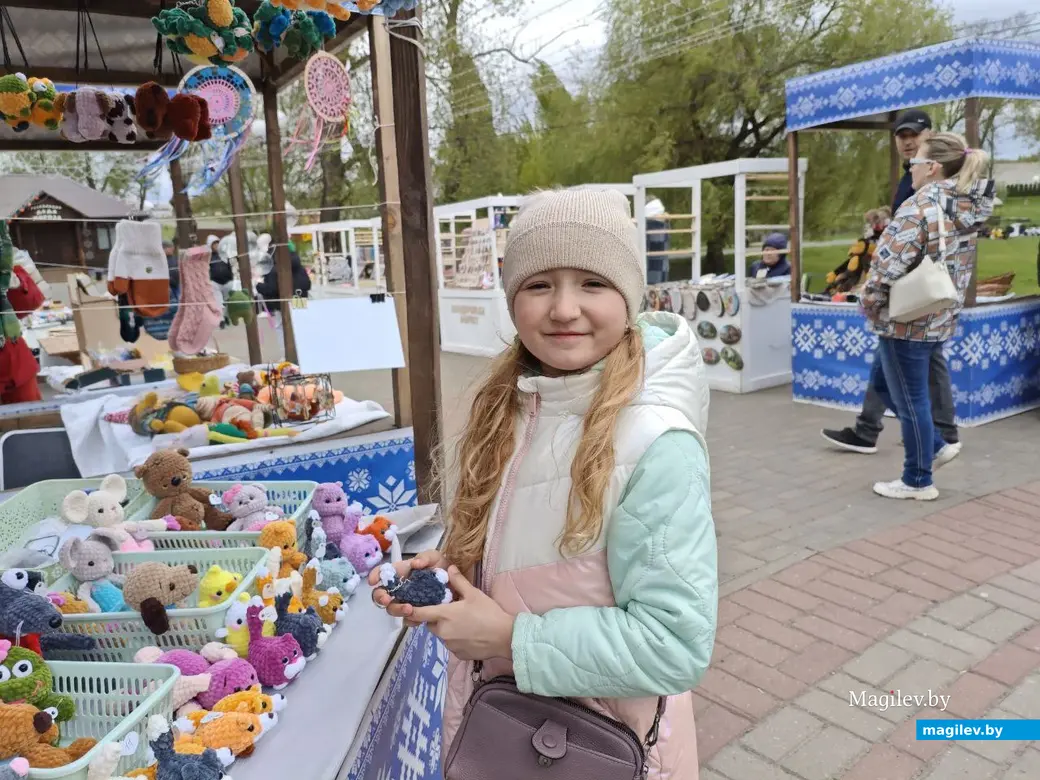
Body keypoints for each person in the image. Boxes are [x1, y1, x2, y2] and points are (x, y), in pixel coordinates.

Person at [371, 189, 717, 778]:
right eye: (538, 285)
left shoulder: (656, 444)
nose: (562, 309)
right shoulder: (520, 404)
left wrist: (509, 637)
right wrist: (460, 567)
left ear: (630, 297)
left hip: (597, 746)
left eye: (592, 283)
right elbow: (545, 548)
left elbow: (673, 644)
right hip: (512, 732)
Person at [860, 132, 994, 500]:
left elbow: (888, 264)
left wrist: (869, 302)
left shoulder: (919, 206)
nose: (911, 168)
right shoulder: (966, 204)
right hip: (937, 312)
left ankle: (917, 479)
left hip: (905, 317)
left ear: (932, 167)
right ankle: (934, 446)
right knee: (890, 388)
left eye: (913, 162)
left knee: (912, 398)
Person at [821, 108, 960, 454]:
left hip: (918, 285)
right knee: (901, 357)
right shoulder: (911, 178)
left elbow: (923, 235)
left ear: (930, 136)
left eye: (915, 134)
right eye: (902, 135)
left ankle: (933, 444)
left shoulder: (939, 183)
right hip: (914, 284)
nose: (909, 141)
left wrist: (878, 285)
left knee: (905, 358)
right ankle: (880, 430)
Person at [825, 207, 891, 295]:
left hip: (878, 276)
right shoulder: (865, 244)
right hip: (863, 275)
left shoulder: (888, 240)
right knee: (856, 262)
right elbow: (852, 263)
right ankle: (834, 288)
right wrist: (836, 273)